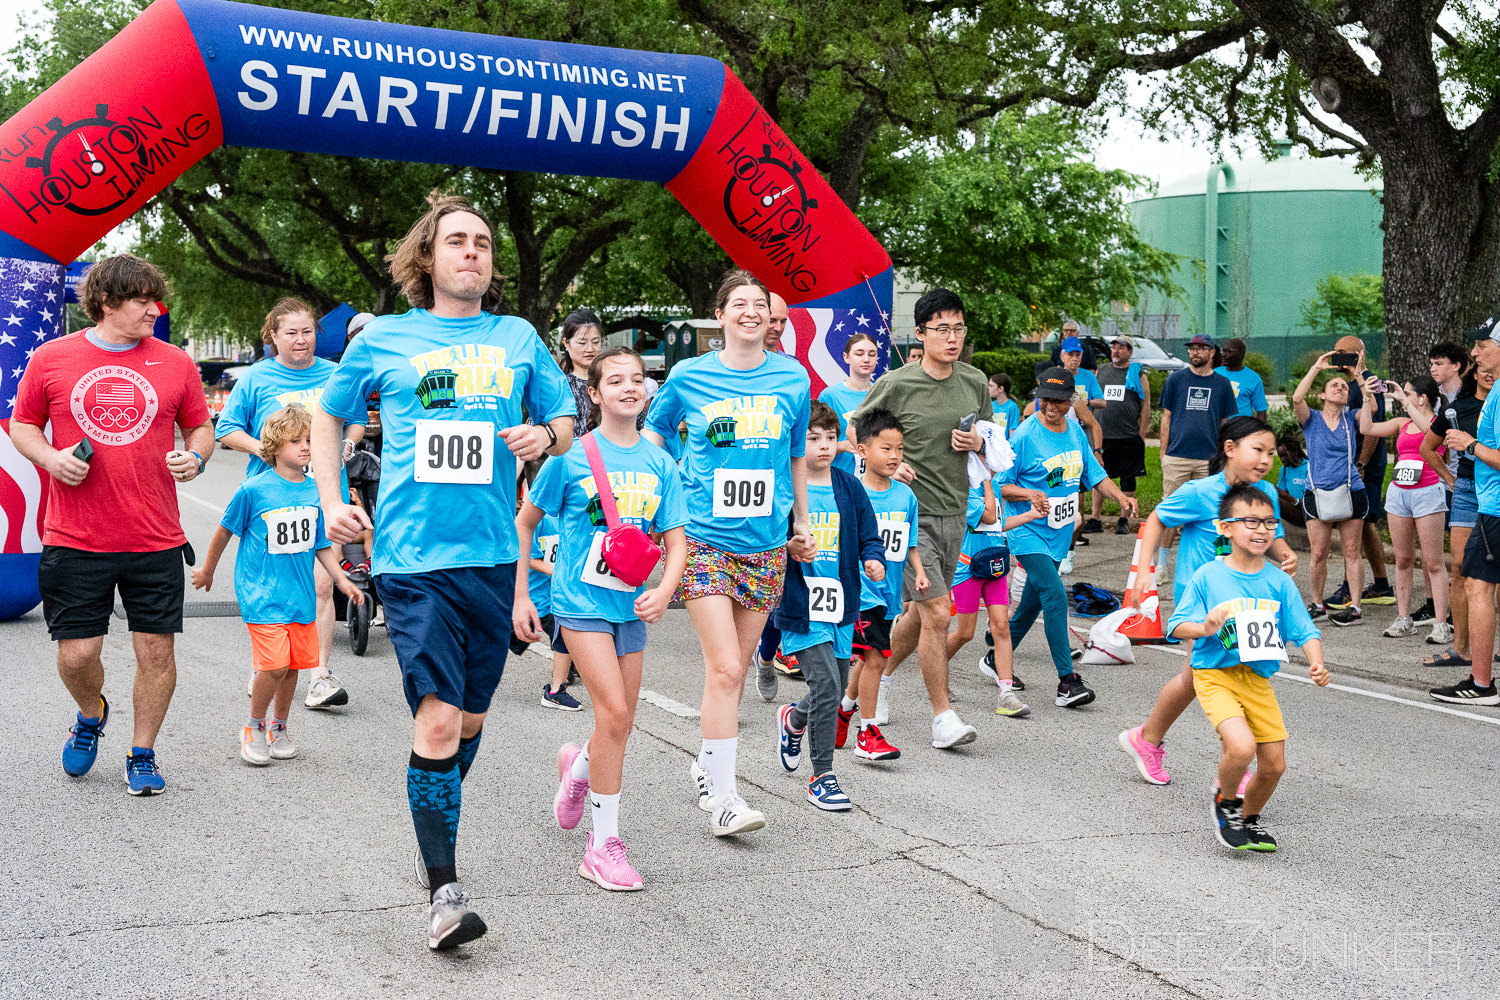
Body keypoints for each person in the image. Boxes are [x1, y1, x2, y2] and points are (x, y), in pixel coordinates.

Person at [313, 195, 574, 951]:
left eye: (484, 243)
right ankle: (444, 891)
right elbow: (329, 415)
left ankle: (433, 812)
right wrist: (332, 499)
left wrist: (544, 434)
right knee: (434, 719)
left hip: (493, 558)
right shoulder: (385, 339)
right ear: (429, 259)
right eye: (458, 242)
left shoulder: (518, 336)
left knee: (467, 722)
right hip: (414, 560)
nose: (474, 253)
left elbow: (565, 421)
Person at [11, 254, 212, 796]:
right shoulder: (54, 357)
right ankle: (90, 711)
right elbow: (23, 423)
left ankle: (142, 753)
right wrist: (51, 459)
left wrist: (195, 458)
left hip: (155, 537)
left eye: (156, 298)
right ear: (107, 301)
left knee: (156, 652)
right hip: (76, 538)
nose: (155, 308)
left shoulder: (175, 362)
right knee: (78, 655)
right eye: (143, 300)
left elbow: (200, 428)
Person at [643, 269, 814, 836]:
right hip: (704, 538)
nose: (750, 311)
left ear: (770, 318)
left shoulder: (792, 379)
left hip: (766, 544)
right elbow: (654, 437)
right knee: (724, 666)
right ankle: (724, 797)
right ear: (719, 315)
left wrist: (804, 523)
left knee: (735, 672)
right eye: (738, 303)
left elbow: (795, 458)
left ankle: (705, 765)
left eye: (759, 305)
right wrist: (649, 501)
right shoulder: (690, 376)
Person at [516, 346, 688, 890]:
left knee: (621, 722)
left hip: (630, 607)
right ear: (594, 394)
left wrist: (666, 589)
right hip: (579, 604)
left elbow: (677, 540)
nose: (629, 387)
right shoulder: (570, 459)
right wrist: (522, 595)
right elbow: (525, 524)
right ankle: (603, 844)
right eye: (615, 380)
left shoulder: (661, 463)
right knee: (613, 713)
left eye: (638, 379)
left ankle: (578, 767)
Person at [847, 288, 990, 749]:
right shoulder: (898, 383)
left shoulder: (974, 381)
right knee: (938, 612)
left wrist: (980, 447)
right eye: (942, 329)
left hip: (956, 511)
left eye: (958, 328)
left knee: (914, 612)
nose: (952, 338)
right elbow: (857, 429)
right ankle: (942, 717)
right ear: (922, 333)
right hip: (907, 516)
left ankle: (875, 680)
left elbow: (992, 442)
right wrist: (889, 463)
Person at [1119, 417, 1297, 785]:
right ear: (1230, 449)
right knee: (1217, 676)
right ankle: (1234, 765)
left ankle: (1147, 739)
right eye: (1257, 450)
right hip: (1202, 600)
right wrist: (1144, 571)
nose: (1266, 459)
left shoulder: (1265, 492)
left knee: (1205, 677)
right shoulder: (1201, 492)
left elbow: (1270, 534)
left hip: (1244, 602)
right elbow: (1156, 519)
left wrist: (1284, 553)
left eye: (1270, 452)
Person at [191, 406, 363, 765]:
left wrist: (342, 580)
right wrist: (207, 570)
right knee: (273, 665)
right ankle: (253, 725)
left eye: (311, 440)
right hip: (261, 593)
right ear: (274, 445)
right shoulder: (254, 490)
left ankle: (279, 726)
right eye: (296, 440)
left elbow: (319, 545)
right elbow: (225, 530)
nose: (305, 447)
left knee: (294, 666)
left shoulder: (316, 492)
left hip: (298, 594)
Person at [217, 297, 363, 710]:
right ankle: (268, 663)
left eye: (308, 332)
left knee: (320, 582)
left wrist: (347, 445)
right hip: (271, 499)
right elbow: (226, 427)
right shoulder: (256, 379)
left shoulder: (336, 374)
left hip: (324, 493)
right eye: (291, 333)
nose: (301, 340)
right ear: (273, 337)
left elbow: (354, 417)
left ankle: (318, 677)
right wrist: (267, 451)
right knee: (276, 585)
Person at [1166, 485, 1329, 852]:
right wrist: (1205, 628)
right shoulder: (1208, 576)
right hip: (1215, 675)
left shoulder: (1279, 581)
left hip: (1257, 680)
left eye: (1269, 522)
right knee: (1240, 747)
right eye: (1250, 521)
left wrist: (1316, 661)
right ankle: (1226, 803)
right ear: (1225, 528)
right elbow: (1175, 625)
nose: (1261, 530)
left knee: (1274, 765)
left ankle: (1249, 818)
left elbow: (1305, 629)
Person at [998, 368, 1138, 707]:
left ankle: (994, 660)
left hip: (1059, 534)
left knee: (1032, 605)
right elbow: (1001, 483)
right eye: (1045, 398)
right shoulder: (1024, 435)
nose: (1050, 406)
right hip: (1027, 529)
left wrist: (1121, 498)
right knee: (1056, 597)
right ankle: (1067, 682)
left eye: (1058, 400)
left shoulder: (1075, 430)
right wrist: (1029, 494)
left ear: (1070, 401)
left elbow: (1095, 474)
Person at [773, 401, 885, 808]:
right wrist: (787, 547)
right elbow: (766, 541)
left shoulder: (848, 486)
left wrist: (872, 558)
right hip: (801, 604)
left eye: (830, 438)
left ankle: (794, 719)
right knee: (825, 685)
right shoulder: (785, 486)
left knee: (834, 692)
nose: (823, 446)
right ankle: (822, 776)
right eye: (812, 438)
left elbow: (869, 534)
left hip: (840, 603)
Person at [836, 407, 920, 751]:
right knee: (876, 657)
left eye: (899, 449)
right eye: (885, 448)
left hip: (889, 594)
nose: (894, 456)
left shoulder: (905, 495)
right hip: (859, 592)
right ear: (862, 451)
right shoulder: (852, 494)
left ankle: (842, 711)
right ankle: (867, 733)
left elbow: (909, 542)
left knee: (871, 656)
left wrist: (921, 575)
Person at [1430, 312, 1500, 706]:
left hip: (1494, 508)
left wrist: (1469, 445)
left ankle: (1482, 684)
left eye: (1482, 345)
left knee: (1477, 587)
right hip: (1489, 506)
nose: (1475, 352)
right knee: (1476, 585)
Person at [1292, 354, 1379, 626]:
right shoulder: (1312, 419)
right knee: (1318, 553)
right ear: (1322, 395)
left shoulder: (1351, 417)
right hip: (1316, 492)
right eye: (1334, 386)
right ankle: (1317, 604)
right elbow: (1297, 399)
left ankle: (1355, 607)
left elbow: (1372, 408)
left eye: (1343, 386)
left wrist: (1359, 374)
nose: (1340, 388)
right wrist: (1316, 368)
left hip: (1351, 489)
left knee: (1352, 551)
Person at [947, 476, 1042, 717]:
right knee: (964, 633)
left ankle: (1006, 694)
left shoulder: (994, 487)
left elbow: (997, 524)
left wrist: (1030, 515)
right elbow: (988, 516)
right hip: (968, 569)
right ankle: (934, 670)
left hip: (995, 567)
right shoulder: (962, 487)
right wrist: (987, 482)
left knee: (1002, 627)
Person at [1364, 378, 1448, 642]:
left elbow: (1432, 435)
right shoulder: (1403, 424)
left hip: (1427, 493)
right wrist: (1368, 397)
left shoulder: (1437, 423)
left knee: (1433, 561)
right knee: (1403, 559)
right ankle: (1403, 618)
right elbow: (1367, 427)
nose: (1403, 396)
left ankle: (1442, 623)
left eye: (1408, 393)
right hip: (1400, 493)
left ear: (1421, 398)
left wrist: (1403, 402)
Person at [1423, 367, 1494, 669]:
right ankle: (1461, 648)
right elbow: (1427, 448)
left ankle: (1489, 648)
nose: (1489, 375)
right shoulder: (1458, 408)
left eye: (1494, 370)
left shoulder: (1499, 404)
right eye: (1483, 370)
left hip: (1497, 489)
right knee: (1461, 568)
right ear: (1474, 373)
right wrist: (1452, 482)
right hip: (1467, 490)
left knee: (1494, 574)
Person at [1156, 334, 1238, 571]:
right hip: (1177, 456)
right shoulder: (1176, 380)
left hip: (1209, 459)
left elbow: (1226, 424)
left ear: (1212, 353)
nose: (1195, 352)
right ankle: (1161, 565)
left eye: (1201, 348)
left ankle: (1216, 563)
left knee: (1212, 511)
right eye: (1192, 348)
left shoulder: (1222, 384)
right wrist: (1164, 452)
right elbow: (1167, 417)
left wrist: (1225, 457)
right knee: (1170, 510)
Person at [1328, 338, 1395, 608]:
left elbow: (1373, 426)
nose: (1335, 357)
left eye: (1341, 353)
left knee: (1353, 523)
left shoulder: (1369, 381)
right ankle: (1381, 585)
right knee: (1365, 523)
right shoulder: (1348, 382)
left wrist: (1362, 464)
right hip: (1352, 463)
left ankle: (1348, 588)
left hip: (1365, 466)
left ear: (1357, 355)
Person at [513, 509, 583, 711]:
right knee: (506, 640)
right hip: (531, 598)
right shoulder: (538, 519)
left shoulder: (572, 516)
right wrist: (557, 571)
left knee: (565, 635)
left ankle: (561, 681)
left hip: (556, 597)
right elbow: (526, 557)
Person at [1087, 335, 1151, 535]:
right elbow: (1092, 397)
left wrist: (1142, 431)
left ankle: (1123, 519)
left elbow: (1145, 404)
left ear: (1129, 352)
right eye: (1114, 347)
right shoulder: (1102, 371)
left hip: (1128, 435)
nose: (1116, 351)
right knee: (1099, 477)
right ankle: (1095, 519)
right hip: (1104, 435)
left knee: (1127, 478)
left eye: (1122, 348)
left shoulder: (1137, 373)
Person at [821, 332, 879, 475]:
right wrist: (842, 446)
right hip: (841, 477)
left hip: (875, 479)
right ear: (846, 357)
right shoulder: (830, 396)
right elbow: (816, 442)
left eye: (872, 354)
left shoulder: (882, 393)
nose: (866, 359)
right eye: (859, 354)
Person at [557, 308, 604, 439]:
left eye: (596, 342)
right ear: (567, 343)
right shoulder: (558, 386)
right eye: (582, 343)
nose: (590, 349)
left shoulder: (612, 382)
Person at [1215, 338, 1268, 420]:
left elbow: (1262, 414)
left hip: (1242, 429)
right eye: (1223, 351)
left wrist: (1257, 432)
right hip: (1217, 429)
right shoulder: (1214, 374)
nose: (1223, 355)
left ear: (1240, 354)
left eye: (1228, 351)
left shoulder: (1254, 378)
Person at [1274, 435, 1309, 525]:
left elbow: (1312, 503)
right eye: (1280, 456)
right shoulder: (1284, 469)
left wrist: (1294, 500)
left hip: (1307, 513)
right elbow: (1281, 493)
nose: (1282, 459)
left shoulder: (1309, 468)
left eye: (1285, 455)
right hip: (1293, 509)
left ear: (1295, 451)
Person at [989, 372, 1021, 440]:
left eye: (991, 386)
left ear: (1001, 389)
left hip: (1005, 447)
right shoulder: (992, 405)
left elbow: (1012, 432)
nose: (988, 388)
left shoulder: (1012, 407)